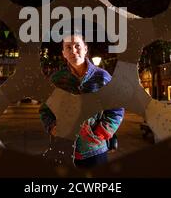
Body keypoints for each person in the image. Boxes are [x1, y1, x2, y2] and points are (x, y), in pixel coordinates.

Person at [39, 33, 124, 169]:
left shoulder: (102, 77)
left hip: (95, 151)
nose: (73, 50)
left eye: (77, 46)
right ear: (64, 53)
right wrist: (52, 127)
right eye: (68, 47)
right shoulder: (56, 80)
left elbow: (116, 108)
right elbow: (45, 110)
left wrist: (100, 133)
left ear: (85, 49)